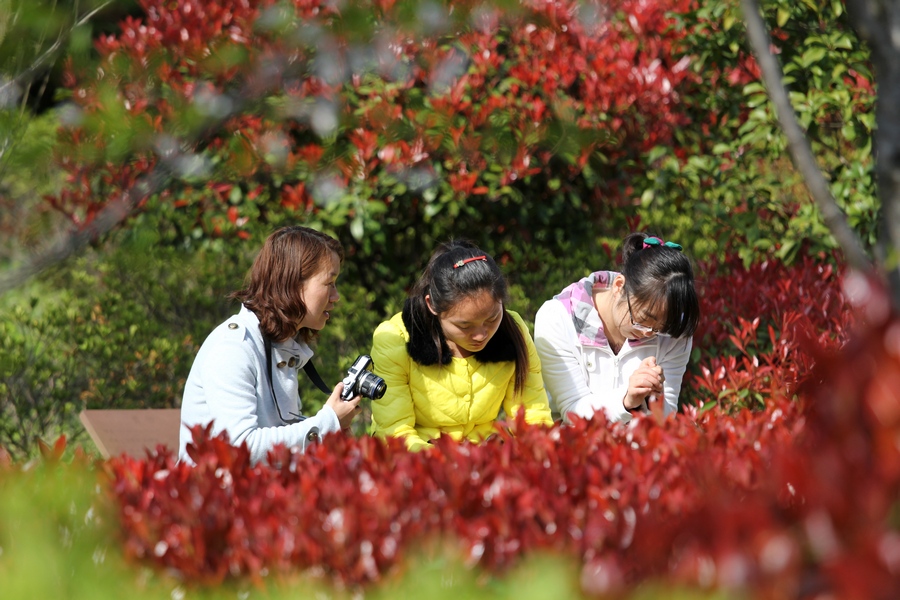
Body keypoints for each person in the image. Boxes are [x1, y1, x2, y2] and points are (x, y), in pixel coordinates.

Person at [178, 226, 361, 465]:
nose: (336, 296)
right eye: (330, 283)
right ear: (294, 283)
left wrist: (334, 430)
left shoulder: (281, 345)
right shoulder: (233, 347)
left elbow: (277, 447)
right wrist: (327, 422)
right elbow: (241, 448)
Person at [370, 240, 553, 451]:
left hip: (487, 456)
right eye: (464, 325)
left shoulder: (512, 330)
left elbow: (533, 417)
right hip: (420, 462)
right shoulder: (396, 339)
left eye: (492, 319)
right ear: (432, 305)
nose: (480, 335)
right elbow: (396, 433)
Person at [534, 233, 700, 423]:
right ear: (619, 286)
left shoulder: (674, 331)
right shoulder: (558, 319)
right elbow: (572, 410)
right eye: (643, 319)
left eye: (659, 329)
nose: (648, 333)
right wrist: (626, 400)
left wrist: (654, 398)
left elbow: (667, 419)